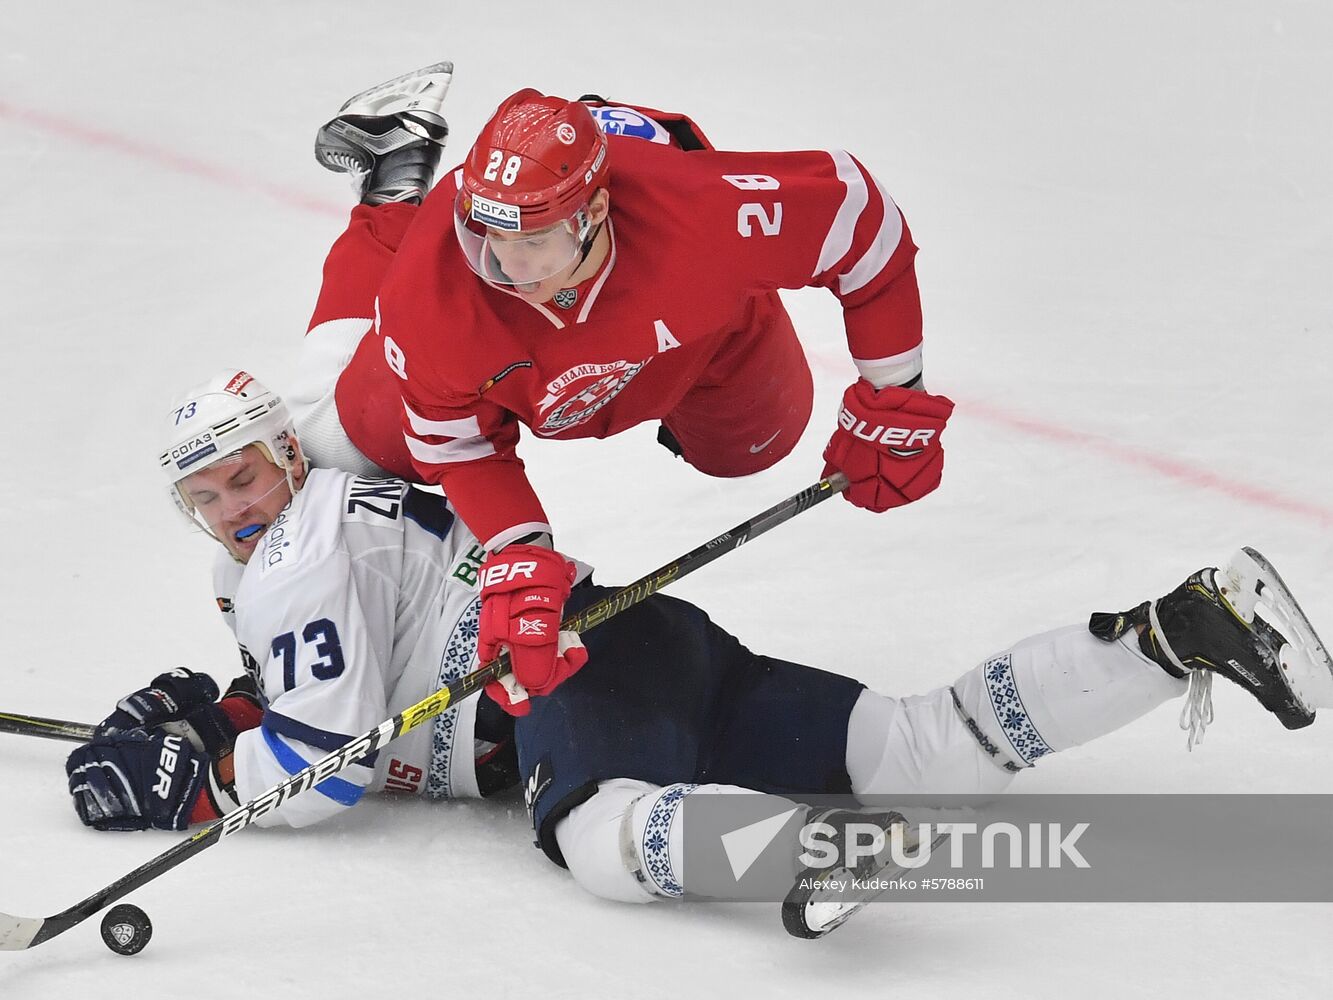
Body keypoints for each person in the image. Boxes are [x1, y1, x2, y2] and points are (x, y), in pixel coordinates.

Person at [65, 368, 1330, 932]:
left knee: (598, 833)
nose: (234, 511)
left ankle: (805, 849)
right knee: (909, 742)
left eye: (242, 479)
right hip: (639, 635)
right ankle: (1181, 630)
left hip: (551, 694)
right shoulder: (345, 453)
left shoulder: (282, 562)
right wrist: (238, 705)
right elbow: (356, 653)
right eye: (207, 500)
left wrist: (203, 778)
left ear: (284, 455)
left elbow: (332, 775)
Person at [298, 63, 956, 715]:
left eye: (534, 239)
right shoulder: (436, 293)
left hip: (695, 339)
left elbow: (862, 221)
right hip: (512, 365)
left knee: (755, 445)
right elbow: (459, 447)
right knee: (337, 447)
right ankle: (396, 179)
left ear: (596, 213)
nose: (505, 264)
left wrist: (896, 397)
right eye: (489, 234)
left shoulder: (704, 212)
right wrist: (520, 557)